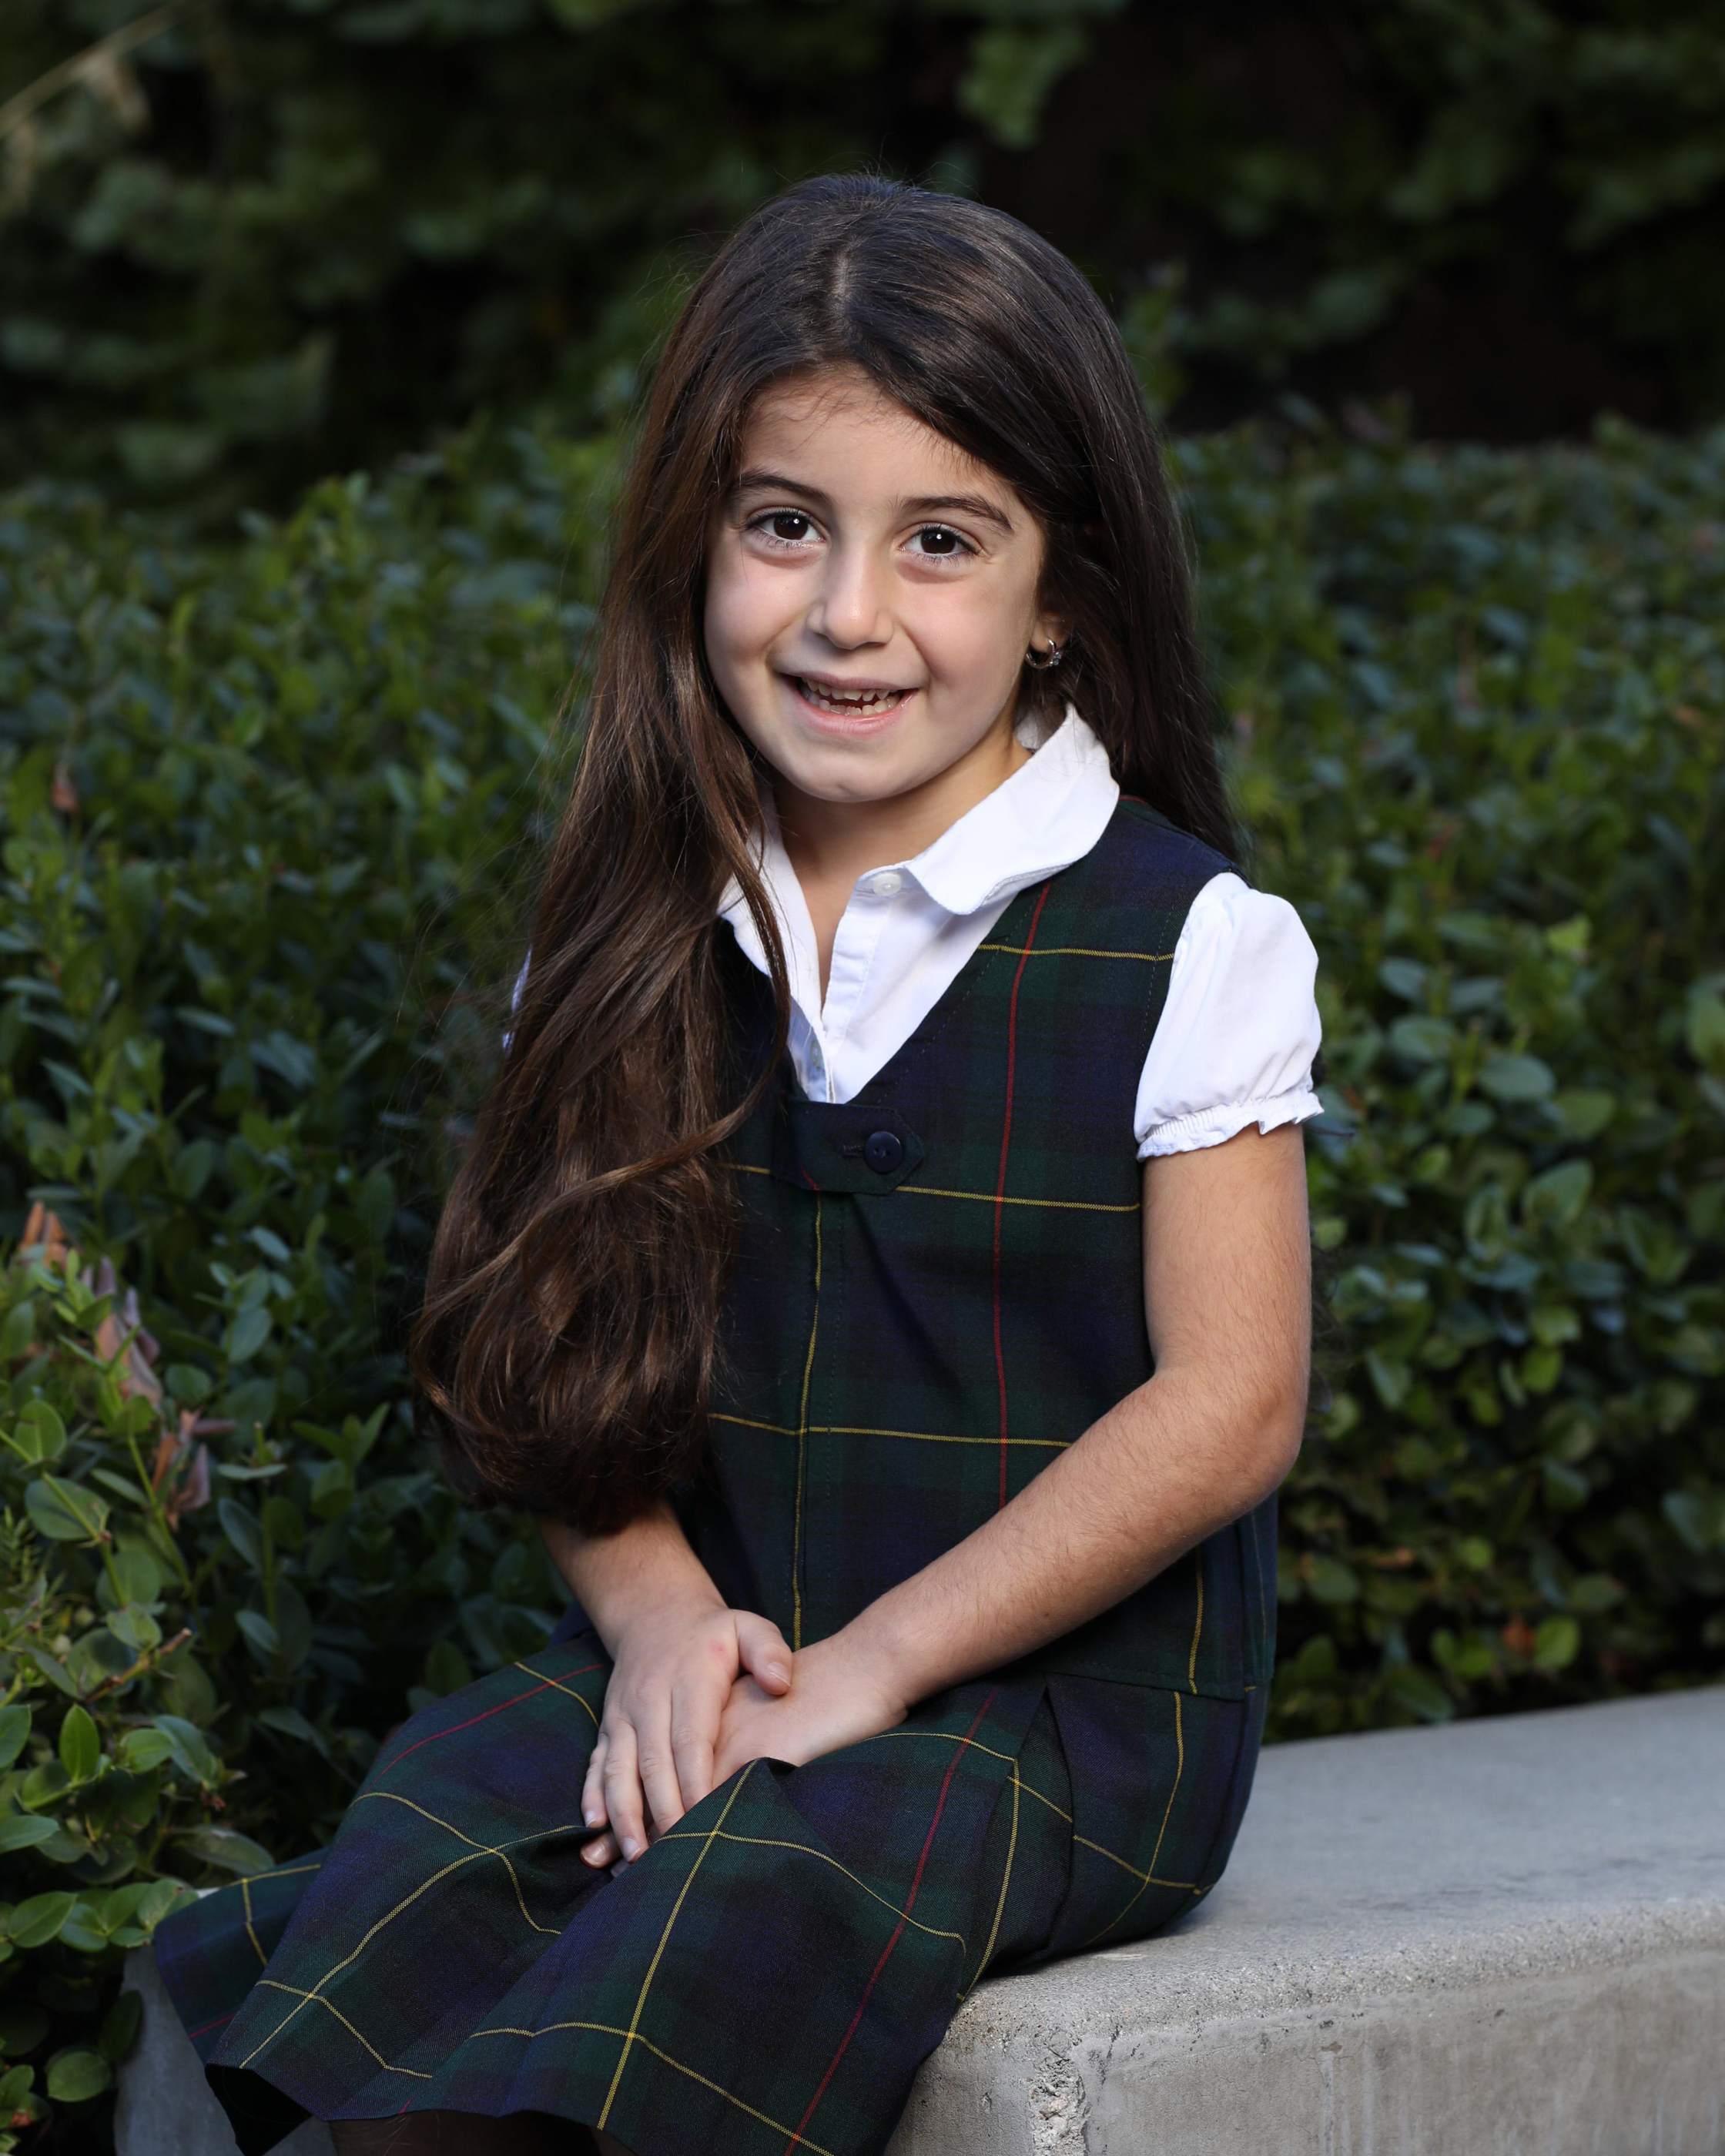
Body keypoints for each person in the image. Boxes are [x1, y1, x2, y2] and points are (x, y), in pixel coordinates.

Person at [156, 172, 1320, 2156]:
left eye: (941, 540)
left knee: (740, 1904)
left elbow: (1232, 1406)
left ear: (1063, 590)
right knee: (429, 1834)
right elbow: (543, 1357)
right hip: (720, 1646)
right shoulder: (628, 933)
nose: (849, 611)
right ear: (696, 543)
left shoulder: (1187, 941)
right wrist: (662, 1630)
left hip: (1054, 1722)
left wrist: (870, 1668)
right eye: (787, 525)